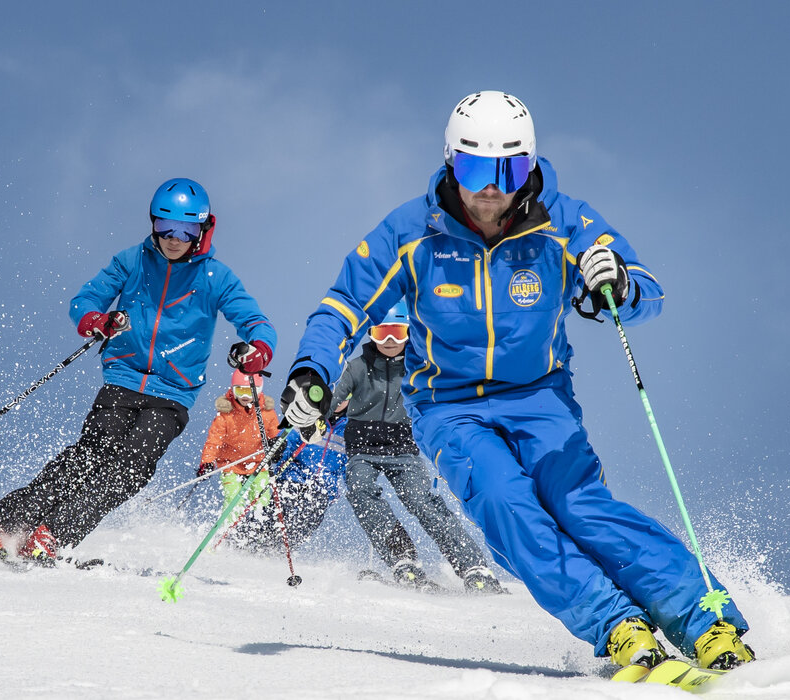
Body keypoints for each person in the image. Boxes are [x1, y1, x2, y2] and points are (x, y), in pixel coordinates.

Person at [277, 92, 755, 675]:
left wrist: (618, 282)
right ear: (452, 163)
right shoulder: (412, 231)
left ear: (529, 165)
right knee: (506, 502)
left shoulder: (563, 220)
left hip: (540, 396)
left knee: (580, 505)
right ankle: (617, 624)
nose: (491, 187)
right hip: (448, 406)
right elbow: (344, 304)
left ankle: (706, 621)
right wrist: (311, 372)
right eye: (477, 168)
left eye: (510, 169)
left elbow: (647, 289)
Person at [0, 177, 277, 564]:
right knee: (90, 455)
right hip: (123, 379)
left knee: (132, 467)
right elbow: (86, 299)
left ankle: (52, 536)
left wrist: (258, 350)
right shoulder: (131, 261)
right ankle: (7, 529)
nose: (174, 238)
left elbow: (255, 321)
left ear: (202, 229)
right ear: (153, 223)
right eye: (165, 227)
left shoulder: (215, 277)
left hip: (171, 394)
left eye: (186, 229)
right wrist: (95, 319)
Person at [333, 302, 504, 593]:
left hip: (403, 449)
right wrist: (320, 409)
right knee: (359, 488)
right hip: (362, 448)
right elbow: (332, 398)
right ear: (371, 334)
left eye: (397, 333)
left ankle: (473, 566)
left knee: (421, 499)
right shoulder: (358, 367)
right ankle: (401, 557)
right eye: (382, 333)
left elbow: (446, 392)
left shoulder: (420, 366)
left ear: (408, 333)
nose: (389, 341)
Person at [221, 421, 347, 554]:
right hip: (294, 476)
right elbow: (288, 440)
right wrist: (279, 448)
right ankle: (236, 541)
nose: (337, 400)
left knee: (307, 521)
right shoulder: (310, 415)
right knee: (277, 512)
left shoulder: (350, 427)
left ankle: (274, 552)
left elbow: (350, 465)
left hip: (324, 486)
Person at [195, 370, 280, 487]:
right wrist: (207, 463)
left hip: (259, 464)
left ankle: (261, 505)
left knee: (260, 498)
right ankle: (235, 506)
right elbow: (213, 442)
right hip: (231, 465)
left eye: (250, 392)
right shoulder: (225, 415)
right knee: (233, 496)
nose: (245, 396)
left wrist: (277, 446)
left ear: (258, 391)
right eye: (240, 391)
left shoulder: (267, 413)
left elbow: (275, 435)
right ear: (233, 390)